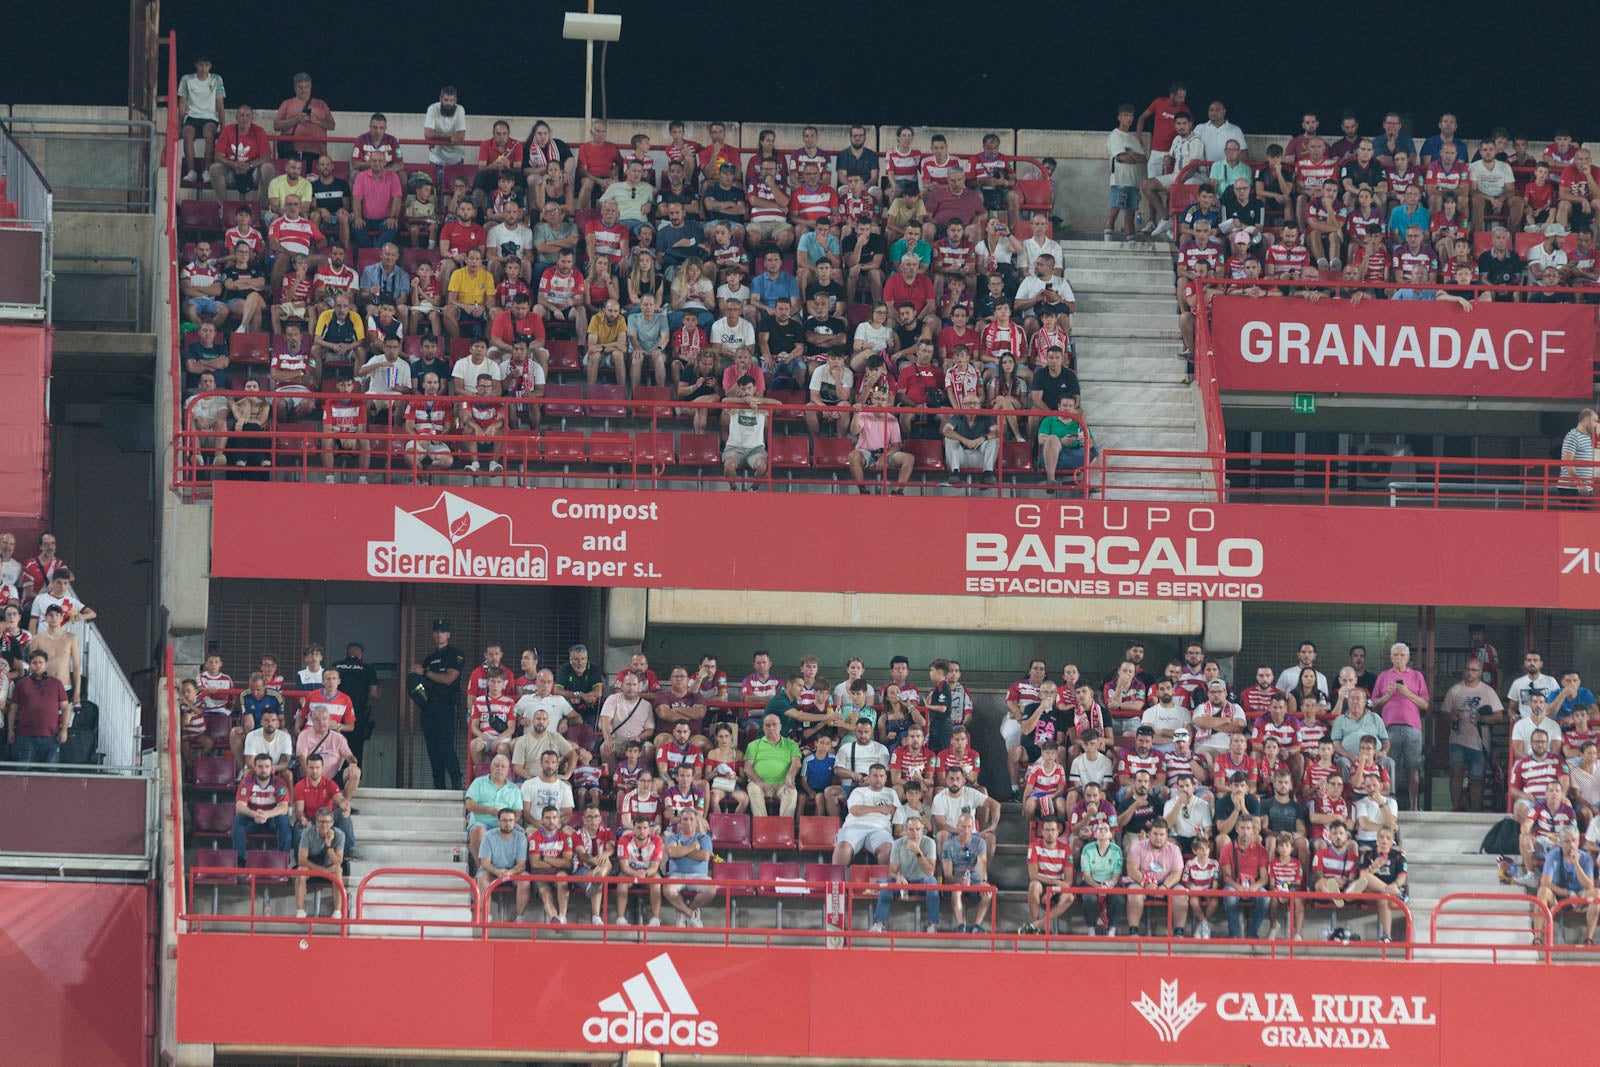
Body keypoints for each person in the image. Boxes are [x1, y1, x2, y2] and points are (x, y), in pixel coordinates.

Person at [406, 619, 465, 790]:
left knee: (445, 745)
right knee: (432, 748)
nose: (439, 634)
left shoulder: (456, 654)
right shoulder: (429, 659)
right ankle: (438, 785)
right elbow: (420, 684)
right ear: (433, 634)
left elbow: (448, 679)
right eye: (436, 631)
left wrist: (425, 672)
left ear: (448, 634)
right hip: (428, 707)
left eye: (442, 631)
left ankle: (456, 782)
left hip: (446, 706)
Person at [870, 813, 940, 934]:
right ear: (906, 831)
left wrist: (918, 852)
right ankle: (879, 924)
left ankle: (932, 925)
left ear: (922, 830)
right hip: (905, 883)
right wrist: (898, 876)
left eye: (918, 829)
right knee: (887, 883)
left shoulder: (929, 843)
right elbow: (891, 871)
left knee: (932, 882)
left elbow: (930, 871)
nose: (915, 833)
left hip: (923, 881)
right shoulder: (898, 844)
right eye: (911, 830)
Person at [1536, 826, 1600, 946]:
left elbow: (1589, 886)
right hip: (1558, 894)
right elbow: (1545, 882)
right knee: (1542, 891)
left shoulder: (1586, 858)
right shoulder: (1553, 855)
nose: (1571, 844)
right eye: (1567, 841)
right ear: (1560, 843)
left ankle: (1588, 939)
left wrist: (1576, 864)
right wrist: (1567, 893)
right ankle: (1538, 938)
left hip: (1579, 896)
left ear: (1578, 842)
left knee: (1596, 893)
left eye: (1574, 840)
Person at [7, 649, 70, 764]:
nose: (38, 665)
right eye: (34, 663)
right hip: (25, 736)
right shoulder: (21, 683)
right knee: (23, 771)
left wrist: (64, 729)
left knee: (50, 772)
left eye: (41, 662)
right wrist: (10, 730)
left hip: (51, 736)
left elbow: (65, 708)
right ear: (30, 665)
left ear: (46, 665)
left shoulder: (56, 683)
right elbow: (13, 709)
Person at [231, 752, 292, 862]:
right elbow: (239, 807)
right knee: (238, 819)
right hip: (253, 821)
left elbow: (284, 808)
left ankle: (283, 859)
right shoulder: (247, 782)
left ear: (271, 768)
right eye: (260, 766)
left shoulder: (279, 783)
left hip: (272, 821)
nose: (264, 770)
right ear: (255, 768)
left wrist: (266, 814)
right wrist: (256, 814)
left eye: (267, 767)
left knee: (283, 819)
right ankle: (239, 859)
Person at [662, 809, 716, 928]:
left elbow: (705, 856)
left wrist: (681, 851)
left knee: (711, 891)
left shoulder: (704, 838)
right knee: (667, 890)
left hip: (699, 876)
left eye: (691, 819)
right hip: (676, 874)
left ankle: (683, 913)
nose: (688, 822)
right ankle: (691, 914)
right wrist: (694, 847)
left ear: (696, 823)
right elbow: (671, 852)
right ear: (680, 823)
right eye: (685, 819)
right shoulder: (672, 838)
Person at [744, 713, 801, 817]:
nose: (771, 728)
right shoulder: (754, 745)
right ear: (763, 728)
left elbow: (796, 764)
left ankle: (784, 828)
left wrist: (789, 777)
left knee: (791, 791)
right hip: (760, 783)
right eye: (768, 725)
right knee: (753, 788)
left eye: (774, 724)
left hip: (784, 783)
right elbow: (747, 767)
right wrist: (760, 782)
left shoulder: (791, 744)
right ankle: (762, 826)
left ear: (780, 726)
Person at [292, 807, 345, 920]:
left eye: (327, 822)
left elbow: (338, 861)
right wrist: (322, 871)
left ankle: (337, 911)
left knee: (338, 871)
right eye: (321, 821)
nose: (323, 825)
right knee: (301, 870)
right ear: (316, 822)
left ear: (332, 823)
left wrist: (329, 845)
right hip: (312, 866)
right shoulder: (307, 833)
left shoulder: (340, 835)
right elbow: (302, 859)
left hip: (329, 867)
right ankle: (300, 910)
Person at [1077, 820, 1125, 936]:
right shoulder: (1087, 849)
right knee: (1090, 899)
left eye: (1106, 829)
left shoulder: (1117, 851)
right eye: (1099, 829)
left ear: (1110, 834)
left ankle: (1112, 929)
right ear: (1095, 834)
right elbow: (1086, 875)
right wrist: (1098, 887)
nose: (1103, 831)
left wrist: (1108, 886)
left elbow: (1115, 876)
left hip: (1110, 883)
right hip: (1091, 882)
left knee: (1118, 899)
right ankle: (1091, 928)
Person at [475, 807, 528, 910]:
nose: (507, 823)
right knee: (482, 878)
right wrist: (497, 871)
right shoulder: (488, 836)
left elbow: (521, 864)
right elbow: (485, 863)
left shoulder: (521, 838)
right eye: (504, 820)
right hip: (491, 871)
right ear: (498, 821)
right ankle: (485, 918)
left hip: (512, 871)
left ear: (514, 821)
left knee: (525, 879)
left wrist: (510, 872)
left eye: (510, 820)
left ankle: (519, 919)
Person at [616, 819, 665, 926]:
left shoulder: (657, 841)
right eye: (638, 828)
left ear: (649, 830)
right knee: (622, 881)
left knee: (656, 881)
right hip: (630, 872)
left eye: (645, 828)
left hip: (648, 873)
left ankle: (655, 919)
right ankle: (620, 918)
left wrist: (645, 873)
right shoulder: (623, 840)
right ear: (633, 829)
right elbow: (624, 867)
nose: (642, 831)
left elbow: (654, 867)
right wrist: (635, 873)